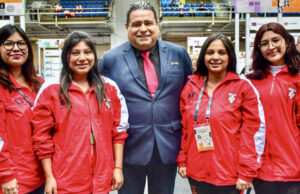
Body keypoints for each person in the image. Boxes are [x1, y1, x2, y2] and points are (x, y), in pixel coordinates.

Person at [99, 1, 193, 194]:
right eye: (136, 24)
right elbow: (103, 105)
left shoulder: (179, 54)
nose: (143, 29)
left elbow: (189, 100)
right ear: (127, 27)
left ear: (158, 25)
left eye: (148, 23)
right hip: (128, 148)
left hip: (168, 146)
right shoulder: (110, 59)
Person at [32, 31, 129, 193]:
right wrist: (49, 177)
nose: (82, 58)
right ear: (66, 57)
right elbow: (41, 137)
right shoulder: (51, 89)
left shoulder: (109, 88)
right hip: (66, 179)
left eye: (87, 52)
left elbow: (118, 131)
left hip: (100, 178)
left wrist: (117, 168)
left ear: (94, 55)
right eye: (75, 53)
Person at [176, 34, 266, 194]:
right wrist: (182, 160)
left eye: (221, 53)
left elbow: (253, 132)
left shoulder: (243, 87)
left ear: (230, 57)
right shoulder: (191, 87)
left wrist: (247, 171)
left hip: (231, 175)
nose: (215, 57)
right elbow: (185, 128)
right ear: (203, 56)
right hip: (197, 170)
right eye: (210, 52)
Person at [248, 22, 300, 194]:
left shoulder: (297, 79)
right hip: (260, 170)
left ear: (286, 41)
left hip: (293, 170)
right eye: (264, 43)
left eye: (275, 40)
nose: (271, 47)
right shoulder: (250, 82)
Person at [0, 24, 45, 193]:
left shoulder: (38, 83)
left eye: (21, 43)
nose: (16, 48)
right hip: (13, 180)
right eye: (8, 44)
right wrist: (5, 174)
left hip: (39, 174)